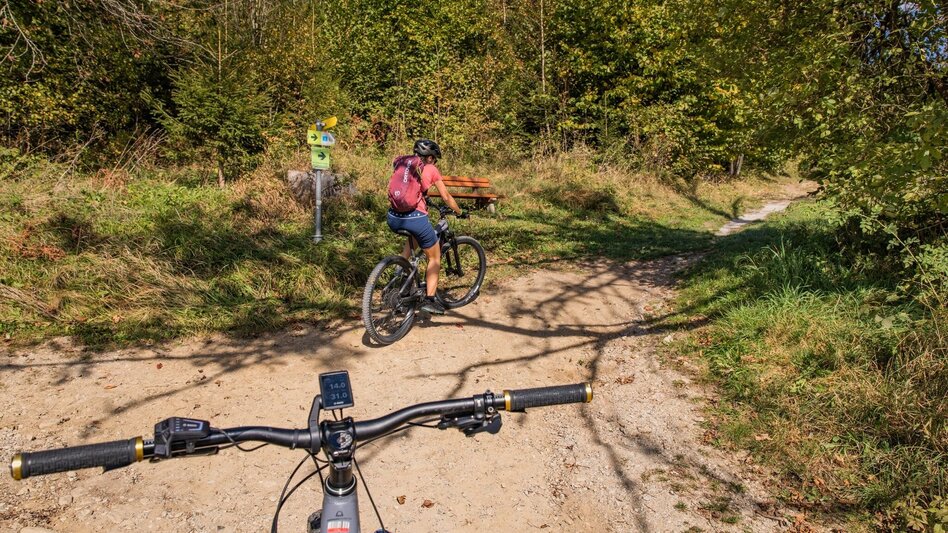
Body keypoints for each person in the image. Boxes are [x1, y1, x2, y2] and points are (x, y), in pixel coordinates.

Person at [386, 139, 463, 315]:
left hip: (393, 217)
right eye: (434, 158)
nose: (434, 162)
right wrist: (459, 211)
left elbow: (409, 187)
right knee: (434, 258)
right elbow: (445, 197)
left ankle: (400, 283)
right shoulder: (430, 168)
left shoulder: (402, 162)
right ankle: (430, 299)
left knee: (411, 244)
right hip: (415, 219)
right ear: (429, 157)